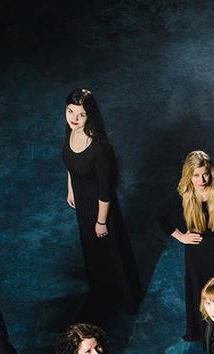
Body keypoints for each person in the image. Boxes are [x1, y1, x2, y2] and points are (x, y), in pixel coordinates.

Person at [62, 89, 143, 317]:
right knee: (91, 251)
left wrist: (101, 221)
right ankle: (101, 293)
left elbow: (106, 190)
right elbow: (69, 164)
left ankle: (125, 299)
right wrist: (70, 189)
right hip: (82, 203)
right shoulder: (70, 131)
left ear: (90, 116)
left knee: (110, 252)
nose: (74, 118)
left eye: (81, 114)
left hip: (100, 207)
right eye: (70, 111)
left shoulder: (99, 148)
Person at [157, 150, 214, 343]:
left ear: (211, 172)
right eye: (196, 175)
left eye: (205, 174)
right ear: (189, 175)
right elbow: (160, 217)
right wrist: (181, 236)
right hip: (197, 252)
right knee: (201, 291)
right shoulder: (184, 195)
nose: (202, 180)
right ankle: (204, 332)